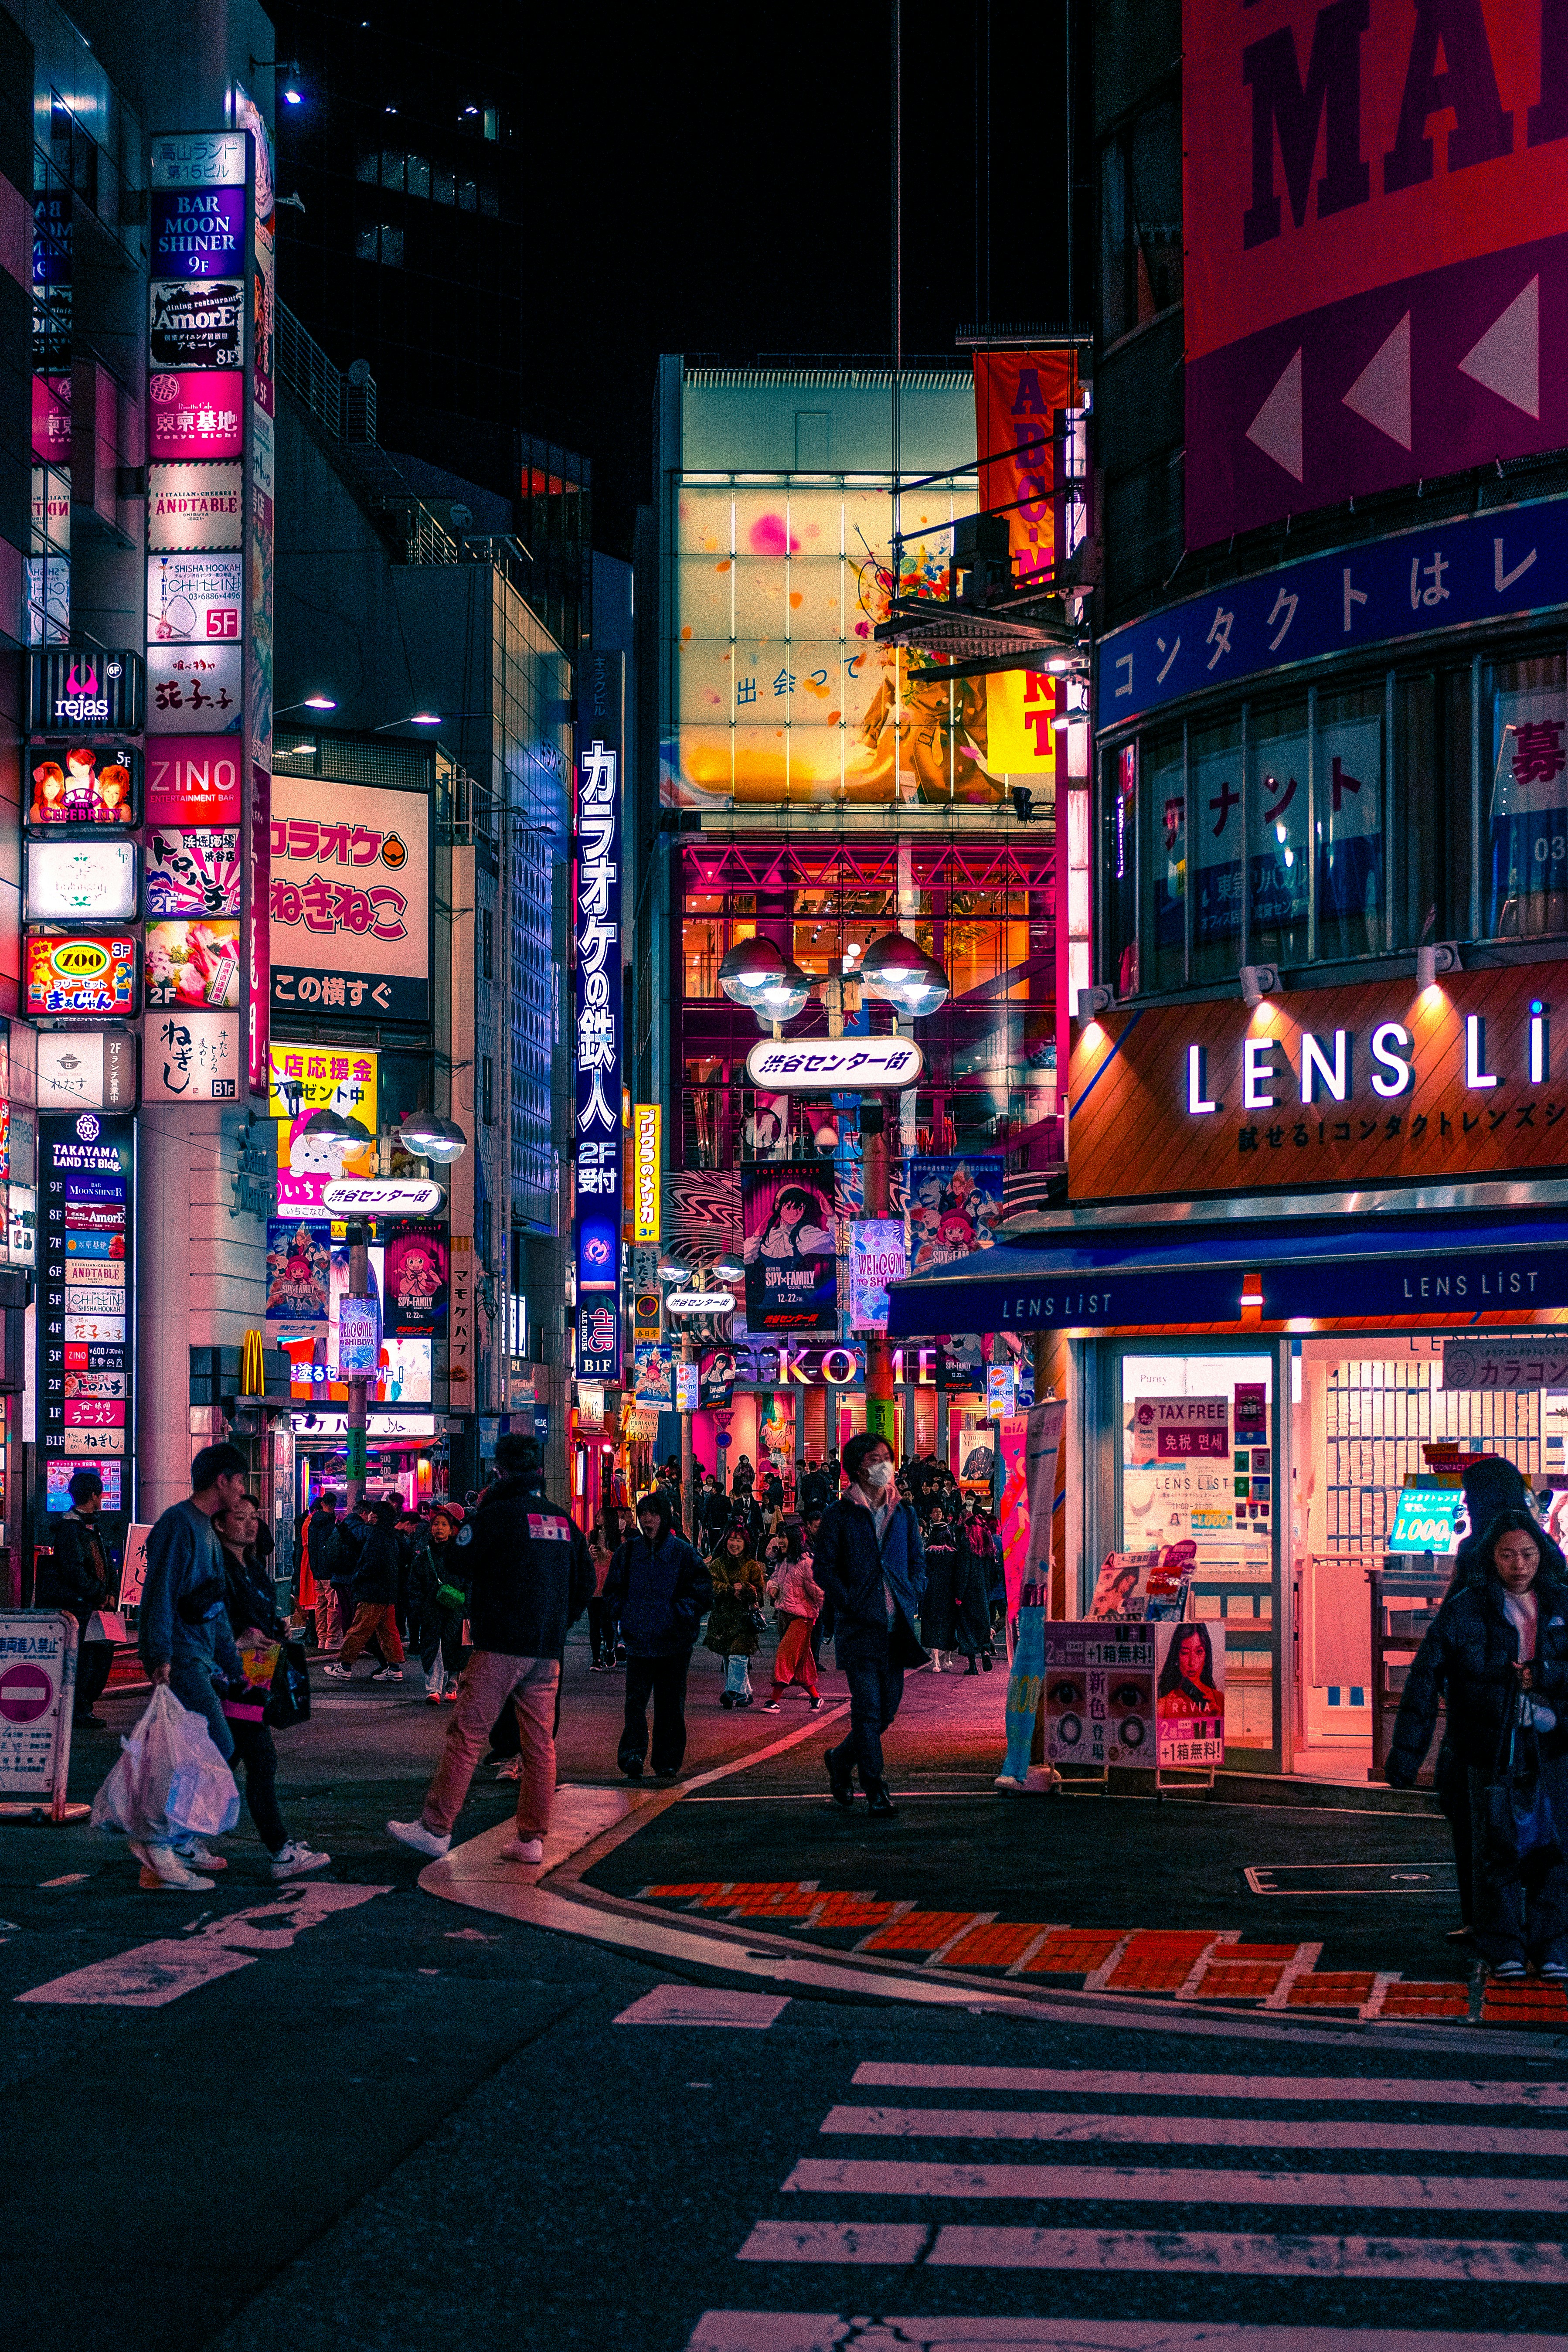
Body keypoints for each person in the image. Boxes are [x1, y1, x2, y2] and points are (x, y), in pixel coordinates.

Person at [390, 1434, 595, 1865]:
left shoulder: (495, 1516)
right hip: (547, 1648)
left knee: (467, 1733)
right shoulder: (561, 1521)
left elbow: (458, 1561)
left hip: (500, 1643)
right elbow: (586, 1582)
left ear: (499, 1471)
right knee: (539, 1744)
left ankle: (436, 1827)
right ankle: (532, 1837)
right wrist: (561, 1621)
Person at [1389, 1509, 1568, 1979]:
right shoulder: (1466, 1609)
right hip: (1486, 1747)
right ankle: (1504, 1945)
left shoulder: (1563, 1604)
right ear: (1491, 1557)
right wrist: (1406, 1757)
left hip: (1553, 1746)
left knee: (1555, 1848)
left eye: (1528, 1554)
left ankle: (1553, 1947)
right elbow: (1425, 1678)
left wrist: (1546, 1675)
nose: (1519, 1564)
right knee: (1496, 1848)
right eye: (1508, 1554)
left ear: (1542, 1555)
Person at [134, 1443, 249, 1891]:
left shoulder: (205, 1528)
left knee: (206, 1749)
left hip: (197, 1657)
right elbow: (158, 1592)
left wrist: (234, 1664)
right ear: (222, 1480)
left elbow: (214, 1606)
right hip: (180, 1657)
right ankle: (161, 1841)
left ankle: (175, 1842)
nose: (243, 1491)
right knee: (212, 1745)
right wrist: (157, 1654)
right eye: (240, 1481)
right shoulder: (179, 1524)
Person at [1427, 1455, 1533, 1939]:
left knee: (1473, 1809)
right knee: (1528, 1813)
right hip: (1532, 1704)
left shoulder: (1479, 1552)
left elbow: (1455, 1623)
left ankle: (1483, 1917)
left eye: (1471, 1497)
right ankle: (1528, 1915)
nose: (1466, 1504)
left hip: (1482, 1705)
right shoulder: (1539, 1548)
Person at [213, 1494, 330, 1879]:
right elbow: (203, 1618)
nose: (250, 1524)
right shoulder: (217, 1568)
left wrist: (273, 1626)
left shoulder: (249, 1565)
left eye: (254, 1518)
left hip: (255, 1674)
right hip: (233, 1678)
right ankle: (280, 1850)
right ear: (218, 1523)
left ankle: (179, 1838)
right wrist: (236, 1639)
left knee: (224, 1762)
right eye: (240, 1517)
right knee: (257, 1761)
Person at [813, 1432, 927, 1818]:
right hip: (859, 1627)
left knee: (887, 1711)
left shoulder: (904, 1512)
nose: (885, 1465)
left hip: (896, 1629)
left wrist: (913, 1592)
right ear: (859, 1466)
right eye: (877, 1458)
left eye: (887, 1457)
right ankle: (875, 1786)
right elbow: (823, 1568)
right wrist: (850, 1601)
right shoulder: (839, 1514)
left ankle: (841, 1759)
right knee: (866, 1709)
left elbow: (917, 1561)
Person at [602, 1487, 712, 1779]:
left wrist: (680, 1615)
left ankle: (666, 1760)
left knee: (670, 1706)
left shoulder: (682, 1553)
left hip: (673, 1644)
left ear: (665, 1516)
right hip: (638, 1642)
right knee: (635, 1704)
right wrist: (625, 1613)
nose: (648, 1520)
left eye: (653, 1514)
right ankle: (633, 1755)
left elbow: (702, 1592)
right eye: (643, 1514)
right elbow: (611, 1591)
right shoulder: (628, 1553)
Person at [37, 1469, 115, 1728]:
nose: (102, 1499)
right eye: (101, 1494)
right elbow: (75, 1571)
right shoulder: (72, 1530)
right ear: (93, 1495)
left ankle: (83, 1708)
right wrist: (100, 1594)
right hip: (82, 1608)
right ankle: (80, 1710)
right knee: (87, 1660)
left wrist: (109, 1593)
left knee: (98, 1657)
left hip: (93, 1605)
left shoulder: (87, 1526)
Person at [325, 1498, 405, 1681]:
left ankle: (344, 1666)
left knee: (359, 1628)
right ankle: (394, 1667)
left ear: (376, 1515)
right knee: (388, 1630)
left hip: (373, 1591)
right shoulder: (392, 1535)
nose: (369, 1516)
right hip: (389, 1591)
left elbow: (372, 1563)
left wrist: (358, 1577)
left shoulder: (376, 1535)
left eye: (372, 1513)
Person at [762, 1521, 824, 1711]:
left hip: (803, 1619)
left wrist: (829, 1616)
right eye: (779, 1537)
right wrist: (773, 1587)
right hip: (784, 1616)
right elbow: (774, 1579)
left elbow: (819, 1592)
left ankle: (775, 1700)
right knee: (801, 1661)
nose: (779, 1542)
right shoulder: (784, 1562)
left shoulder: (807, 1563)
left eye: (783, 1538)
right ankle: (816, 1697)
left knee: (785, 1656)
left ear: (794, 1540)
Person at [410, 1504, 467, 1703]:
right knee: (434, 1646)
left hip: (456, 1609)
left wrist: (467, 1605)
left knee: (455, 1646)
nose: (439, 1528)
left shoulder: (461, 1555)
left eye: (444, 1525)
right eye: (436, 1524)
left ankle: (452, 1686)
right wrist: (418, 1607)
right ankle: (433, 1688)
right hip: (432, 1609)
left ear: (452, 1530)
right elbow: (415, 1584)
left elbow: (470, 1581)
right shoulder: (424, 1556)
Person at [705, 1522, 765, 1707]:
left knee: (738, 1656)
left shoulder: (753, 1567)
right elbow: (710, 1587)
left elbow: (760, 1593)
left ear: (745, 1543)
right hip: (722, 1620)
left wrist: (747, 1589)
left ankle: (733, 1692)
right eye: (732, 1539)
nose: (735, 1544)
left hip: (745, 1621)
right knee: (729, 1656)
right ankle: (745, 1693)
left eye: (739, 1540)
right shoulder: (716, 1565)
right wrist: (730, 1590)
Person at [920, 1504, 961, 1672]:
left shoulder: (928, 1553)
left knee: (933, 1625)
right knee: (948, 1625)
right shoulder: (953, 1554)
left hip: (931, 1595)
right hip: (949, 1595)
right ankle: (948, 1660)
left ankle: (935, 1661)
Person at [301, 1493, 344, 1651]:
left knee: (321, 1606)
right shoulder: (331, 1524)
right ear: (333, 1505)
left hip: (316, 1570)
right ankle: (332, 1640)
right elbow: (334, 1549)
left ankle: (322, 1639)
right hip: (329, 1571)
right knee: (333, 1605)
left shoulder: (311, 1523)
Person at [1157, 1624, 1225, 1718]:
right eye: (1185, 1653)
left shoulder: (1220, 1701)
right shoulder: (1162, 1706)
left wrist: (1216, 1720)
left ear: (1206, 1656)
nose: (1192, 1663)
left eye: (1199, 1652)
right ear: (1176, 1656)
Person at [586, 1506, 622, 1671]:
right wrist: (590, 1555)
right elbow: (583, 1560)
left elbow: (622, 1563)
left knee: (608, 1623)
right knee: (594, 1623)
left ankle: (609, 1649)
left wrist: (608, 1553)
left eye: (601, 1515)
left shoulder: (619, 1540)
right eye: (598, 1515)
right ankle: (596, 1659)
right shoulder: (589, 1536)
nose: (597, 1518)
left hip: (610, 1587)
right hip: (594, 1586)